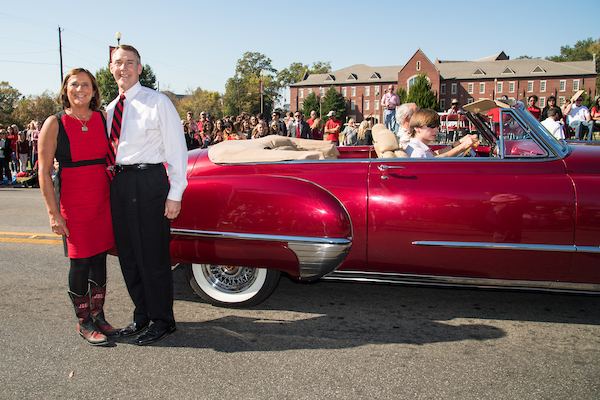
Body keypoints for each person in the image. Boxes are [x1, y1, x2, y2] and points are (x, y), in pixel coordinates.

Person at [107, 45, 188, 345]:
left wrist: (175, 193)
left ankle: (163, 320)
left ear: (140, 68)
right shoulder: (110, 109)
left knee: (152, 256)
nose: (124, 68)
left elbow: (176, 150)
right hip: (120, 183)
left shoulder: (158, 102)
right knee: (129, 255)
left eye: (130, 63)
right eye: (118, 63)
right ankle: (142, 315)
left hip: (149, 181)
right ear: (111, 68)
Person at [38, 68, 117, 346]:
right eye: (75, 85)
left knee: (99, 259)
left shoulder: (102, 118)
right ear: (66, 90)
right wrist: (53, 213)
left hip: (102, 198)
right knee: (81, 260)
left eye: (86, 85)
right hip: (73, 199)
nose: (80, 89)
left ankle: (99, 314)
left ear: (94, 91)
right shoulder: (54, 123)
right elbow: (44, 171)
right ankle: (84, 321)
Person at [405, 108, 478, 158]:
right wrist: (463, 146)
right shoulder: (418, 152)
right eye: (432, 126)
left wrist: (460, 142)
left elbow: (436, 154)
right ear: (417, 128)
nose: (436, 129)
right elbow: (436, 160)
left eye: (437, 126)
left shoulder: (419, 147)